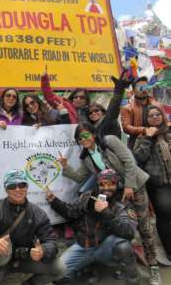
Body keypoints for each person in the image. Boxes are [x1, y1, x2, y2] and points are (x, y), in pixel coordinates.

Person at [58, 121, 161, 285]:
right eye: (79, 138)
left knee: (144, 226)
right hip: (117, 193)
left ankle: (153, 266)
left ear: (93, 134)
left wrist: (129, 185)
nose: (83, 140)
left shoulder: (110, 141)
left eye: (85, 135)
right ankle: (124, 264)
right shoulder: (86, 157)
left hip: (135, 185)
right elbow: (79, 177)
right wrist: (65, 166)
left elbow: (129, 161)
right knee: (121, 226)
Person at [0, 169, 65, 285]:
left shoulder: (38, 213)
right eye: (12, 186)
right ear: (6, 189)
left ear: (27, 187)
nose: (18, 189)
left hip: (24, 259)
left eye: (22, 185)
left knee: (59, 268)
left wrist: (43, 251)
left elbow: (51, 241)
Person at [46, 169, 140, 285]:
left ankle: (133, 280)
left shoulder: (123, 202)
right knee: (57, 275)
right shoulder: (88, 197)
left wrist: (106, 212)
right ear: (98, 184)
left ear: (117, 184)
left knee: (123, 246)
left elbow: (129, 232)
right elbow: (71, 213)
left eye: (111, 184)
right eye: (102, 184)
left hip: (106, 249)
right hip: (83, 247)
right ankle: (89, 269)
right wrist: (54, 201)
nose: (106, 188)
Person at [133, 105, 171, 260]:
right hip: (158, 184)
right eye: (151, 116)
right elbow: (138, 158)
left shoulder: (168, 134)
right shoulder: (142, 137)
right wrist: (148, 138)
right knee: (164, 217)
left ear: (162, 116)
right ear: (146, 120)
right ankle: (169, 250)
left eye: (157, 114)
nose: (155, 117)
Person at [121, 76, 163, 149]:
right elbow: (126, 127)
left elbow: (165, 122)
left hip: (159, 144)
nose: (144, 90)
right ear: (133, 91)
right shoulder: (127, 108)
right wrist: (144, 130)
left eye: (145, 87)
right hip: (138, 145)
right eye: (140, 87)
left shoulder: (157, 105)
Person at [88, 72, 132, 139]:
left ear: (102, 112)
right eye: (90, 113)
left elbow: (113, 106)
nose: (93, 113)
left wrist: (118, 91)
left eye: (96, 110)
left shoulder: (108, 120)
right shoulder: (92, 128)